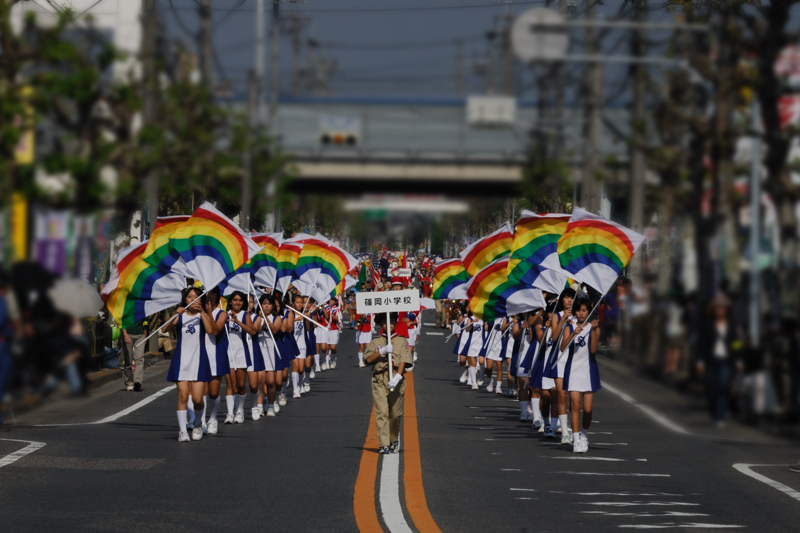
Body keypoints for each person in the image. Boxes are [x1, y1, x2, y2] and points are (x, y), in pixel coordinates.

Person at [163, 287, 214, 442]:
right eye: (190, 297)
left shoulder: (201, 316)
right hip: (182, 359)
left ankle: (198, 423)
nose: (193, 300)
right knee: (183, 395)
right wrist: (175, 314)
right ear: (185, 300)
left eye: (197, 297)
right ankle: (183, 431)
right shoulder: (180, 316)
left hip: (199, 359)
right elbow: (164, 328)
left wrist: (204, 312)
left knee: (198, 399)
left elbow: (210, 330)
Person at [364, 313, 414, 454]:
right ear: (381, 325)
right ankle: (383, 444)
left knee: (395, 413)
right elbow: (367, 360)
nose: (389, 325)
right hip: (380, 378)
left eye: (391, 322)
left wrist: (398, 376)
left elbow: (404, 359)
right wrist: (381, 351)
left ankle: (393, 439)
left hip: (395, 378)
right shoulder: (376, 341)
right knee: (381, 412)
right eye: (385, 322)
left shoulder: (401, 340)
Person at [560, 298, 601, 453]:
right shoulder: (569, 326)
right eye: (578, 310)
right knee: (575, 405)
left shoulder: (594, 326)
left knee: (588, 409)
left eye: (584, 310)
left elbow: (593, 350)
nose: (581, 313)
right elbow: (562, 347)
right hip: (573, 370)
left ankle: (584, 434)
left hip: (588, 370)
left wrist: (593, 330)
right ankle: (576, 440)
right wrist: (573, 334)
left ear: (588, 311)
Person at [202, 287, 229, 434]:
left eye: (212, 294)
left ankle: (213, 418)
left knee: (213, 392)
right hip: (200, 354)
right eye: (207, 294)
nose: (209, 296)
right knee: (201, 392)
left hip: (216, 355)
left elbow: (215, 331)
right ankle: (200, 420)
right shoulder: (198, 313)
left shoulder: (222, 314)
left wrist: (209, 313)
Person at [226, 291, 253, 424]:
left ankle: (240, 411)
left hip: (241, 352)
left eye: (240, 300)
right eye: (235, 300)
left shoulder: (245, 315)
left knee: (241, 385)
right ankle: (230, 413)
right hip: (227, 353)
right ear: (230, 301)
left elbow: (252, 331)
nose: (237, 302)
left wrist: (237, 321)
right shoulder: (223, 315)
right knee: (231, 384)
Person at [120, 317, 148, 392]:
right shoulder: (126, 307)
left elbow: (145, 323)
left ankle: (137, 381)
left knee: (139, 358)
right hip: (128, 334)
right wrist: (125, 334)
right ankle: (129, 383)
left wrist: (145, 336)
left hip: (140, 336)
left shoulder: (142, 307)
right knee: (128, 360)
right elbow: (122, 322)